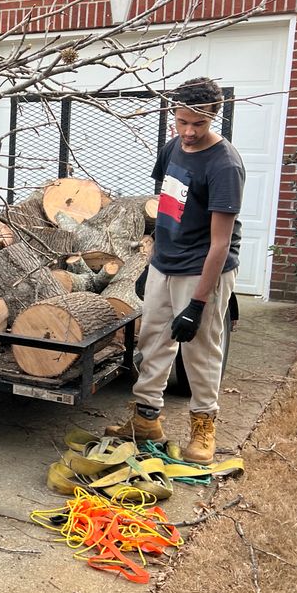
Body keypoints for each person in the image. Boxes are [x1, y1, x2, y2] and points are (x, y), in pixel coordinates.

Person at [106, 77, 244, 463]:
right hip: (166, 263)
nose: (188, 131)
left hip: (203, 270)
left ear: (213, 117)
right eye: (181, 122)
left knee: (200, 349)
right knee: (152, 341)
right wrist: (152, 264)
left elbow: (220, 243)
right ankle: (146, 418)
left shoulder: (224, 165)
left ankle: (204, 426)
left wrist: (198, 304)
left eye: (198, 124)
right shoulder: (171, 150)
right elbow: (165, 209)